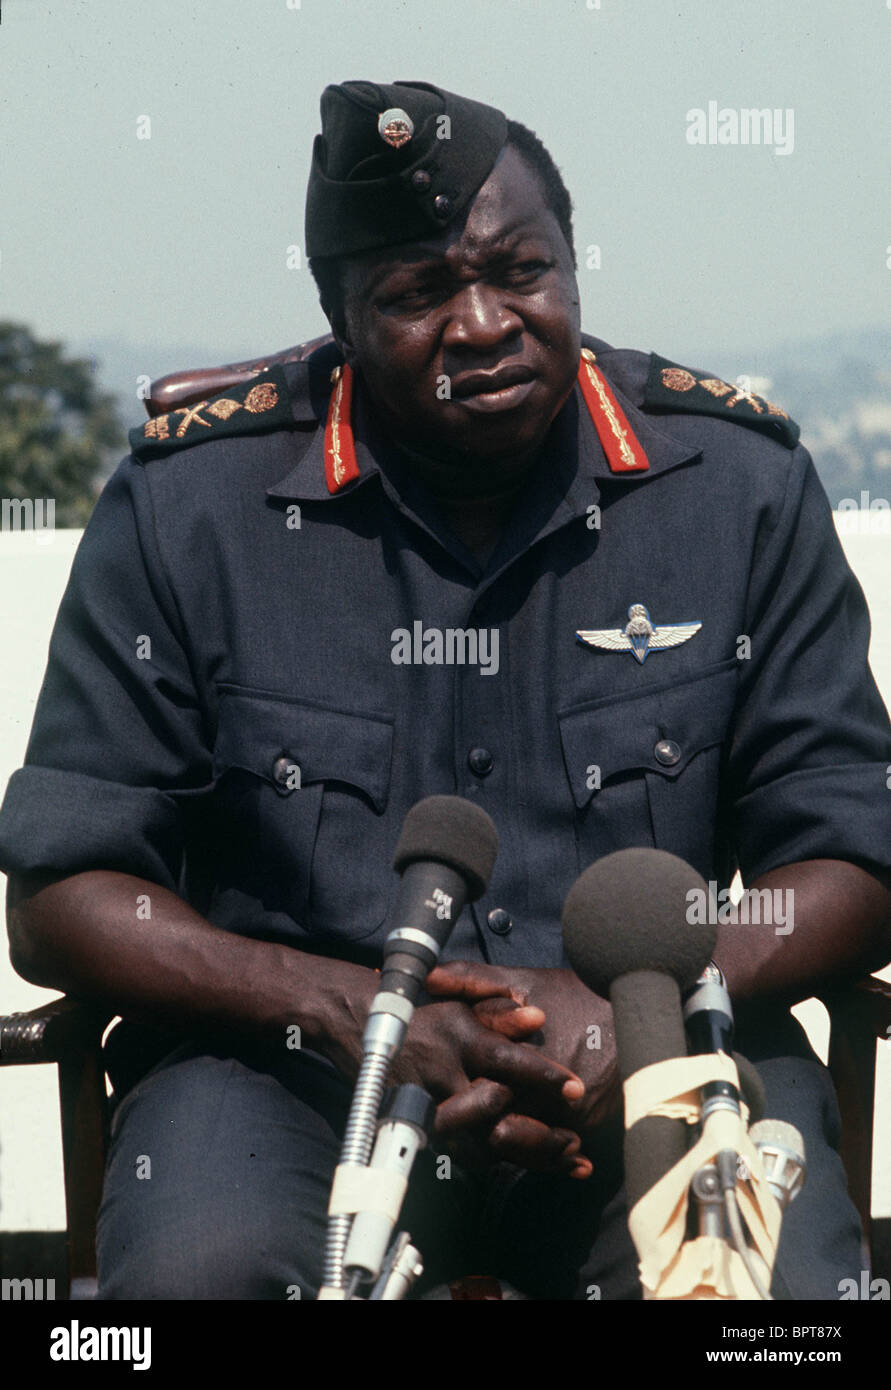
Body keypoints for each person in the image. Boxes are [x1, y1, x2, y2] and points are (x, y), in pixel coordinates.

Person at [2, 79, 890, 1301]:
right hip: (291, 1079)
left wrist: (634, 1000)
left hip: (663, 1045)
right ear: (338, 316)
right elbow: (61, 896)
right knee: (200, 1276)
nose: (481, 324)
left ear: (573, 262)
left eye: (520, 271)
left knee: (763, 1294)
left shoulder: (736, 490)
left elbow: (853, 856)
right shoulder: (189, 511)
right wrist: (359, 1012)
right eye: (416, 294)